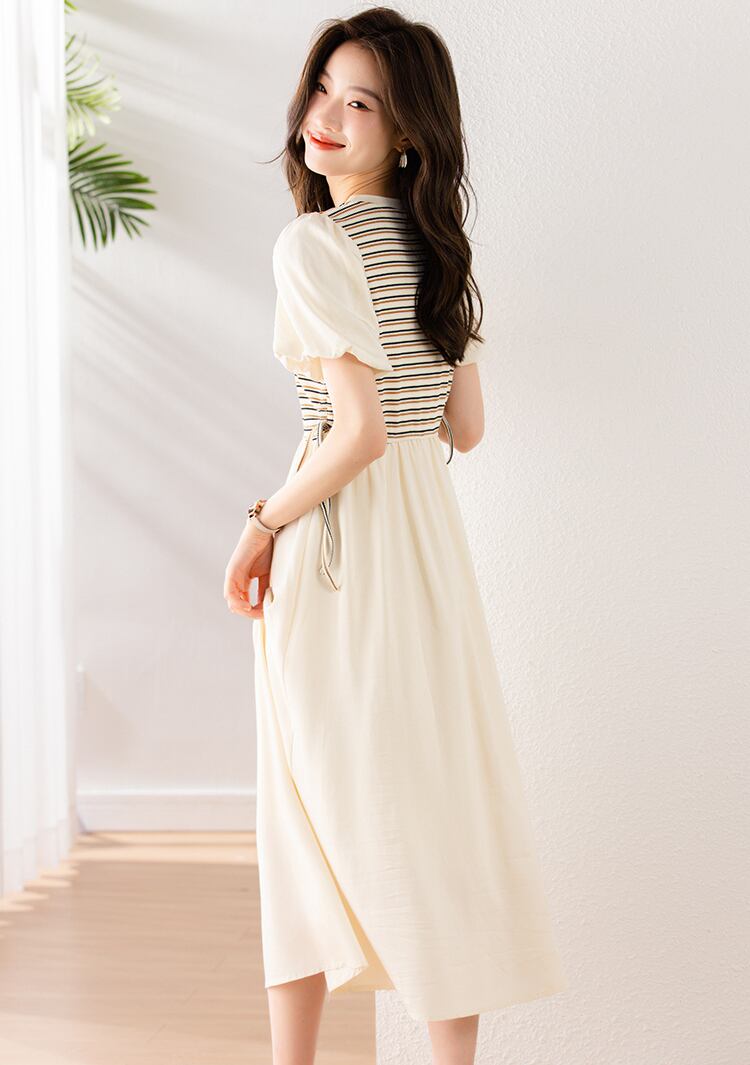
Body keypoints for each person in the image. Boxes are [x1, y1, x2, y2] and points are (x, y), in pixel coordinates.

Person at [224, 9, 567, 1064]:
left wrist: (260, 524)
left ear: (406, 130)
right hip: (427, 551)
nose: (326, 115)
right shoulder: (441, 252)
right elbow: (462, 427)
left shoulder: (312, 245)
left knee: (302, 812)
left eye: (361, 102)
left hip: (336, 551)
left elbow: (358, 432)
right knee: (431, 802)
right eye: (323, 89)